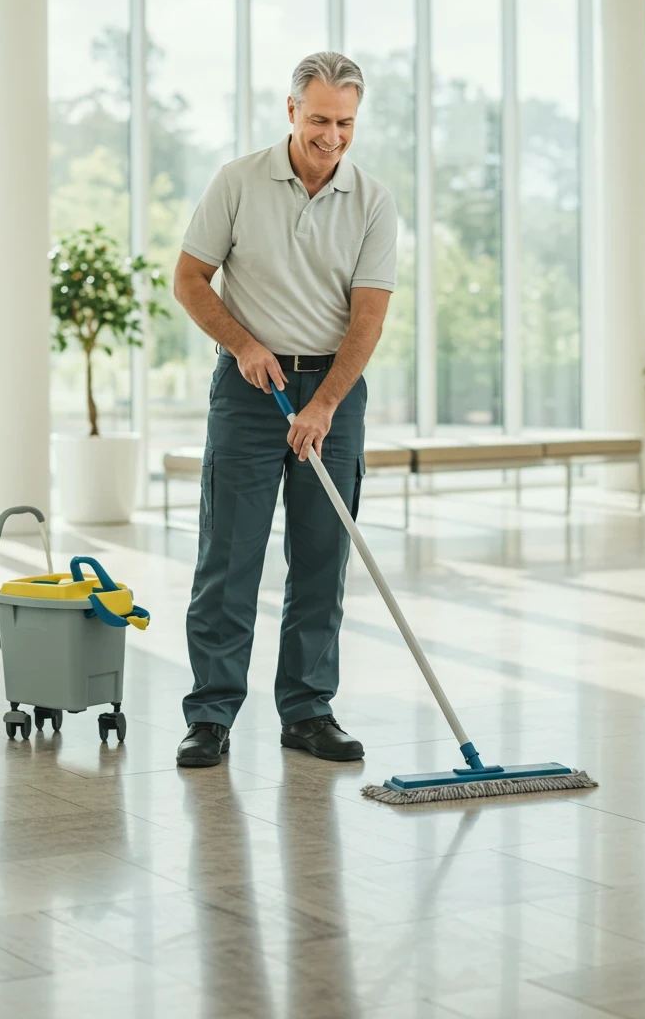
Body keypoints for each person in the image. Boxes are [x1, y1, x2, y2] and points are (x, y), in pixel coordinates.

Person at [173, 52, 397, 768]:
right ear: (292, 111)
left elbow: (367, 318)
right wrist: (242, 344)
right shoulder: (238, 181)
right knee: (229, 555)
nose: (333, 135)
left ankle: (307, 710)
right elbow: (189, 280)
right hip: (249, 389)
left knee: (321, 558)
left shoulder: (372, 200)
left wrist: (326, 402)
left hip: (332, 393)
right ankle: (210, 715)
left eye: (347, 122)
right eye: (321, 119)